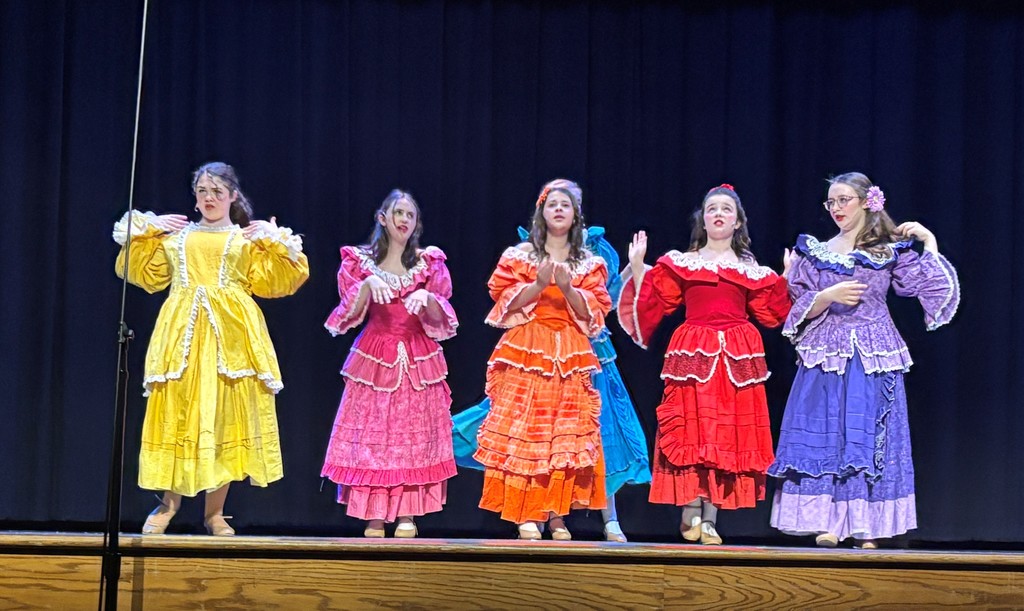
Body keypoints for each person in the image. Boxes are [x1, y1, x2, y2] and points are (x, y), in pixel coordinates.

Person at [113, 161, 309, 536]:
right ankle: (167, 504)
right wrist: (145, 229)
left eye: (218, 191)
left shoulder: (246, 240)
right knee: (178, 412)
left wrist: (274, 237)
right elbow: (138, 269)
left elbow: (286, 275)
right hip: (183, 335)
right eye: (203, 191)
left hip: (231, 339)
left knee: (225, 417)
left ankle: (214, 513)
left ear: (233, 195)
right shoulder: (176, 238)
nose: (209, 198)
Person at [768, 172, 960, 548]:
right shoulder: (816, 252)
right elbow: (796, 306)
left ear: (865, 202)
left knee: (869, 436)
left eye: (843, 200)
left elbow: (929, 289)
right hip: (827, 354)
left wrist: (929, 242)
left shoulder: (889, 250)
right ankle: (829, 522)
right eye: (831, 202)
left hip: (873, 354)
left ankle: (866, 526)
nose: (836, 208)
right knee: (828, 434)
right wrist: (829, 294)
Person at [452, 225, 650, 542]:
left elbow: (606, 299)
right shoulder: (528, 253)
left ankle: (608, 518)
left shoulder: (594, 250)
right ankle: (538, 514)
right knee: (538, 430)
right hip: (539, 350)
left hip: (591, 355)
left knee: (595, 433)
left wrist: (632, 269)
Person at [620, 184, 791, 545]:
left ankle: (711, 516)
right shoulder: (684, 262)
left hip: (737, 353)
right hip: (693, 349)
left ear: (737, 222)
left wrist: (787, 278)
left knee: (724, 431)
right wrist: (638, 269)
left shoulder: (751, 270)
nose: (718, 214)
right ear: (703, 219)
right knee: (692, 428)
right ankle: (690, 509)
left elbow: (772, 314)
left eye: (726, 209)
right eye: (712, 208)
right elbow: (656, 301)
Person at [474, 179, 612, 540]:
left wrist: (567, 288)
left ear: (576, 214)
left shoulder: (589, 263)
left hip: (570, 349)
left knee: (562, 434)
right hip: (528, 346)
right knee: (527, 431)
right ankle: (527, 513)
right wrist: (537, 286)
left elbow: (596, 313)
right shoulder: (521, 255)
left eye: (566, 204)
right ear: (542, 212)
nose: (559, 209)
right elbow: (502, 298)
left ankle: (556, 514)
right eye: (552, 204)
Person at [321, 189, 458, 538]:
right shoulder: (360, 261)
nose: (404, 220)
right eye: (398, 213)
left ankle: (408, 513)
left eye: (410, 215)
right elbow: (348, 311)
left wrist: (426, 296)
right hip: (376, 352)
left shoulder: (428, 263)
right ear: (383, 218)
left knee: (413, 434)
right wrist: (368, 283)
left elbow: (441, 312)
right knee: (374, 434)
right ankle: (375, 515)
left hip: (416, 354)